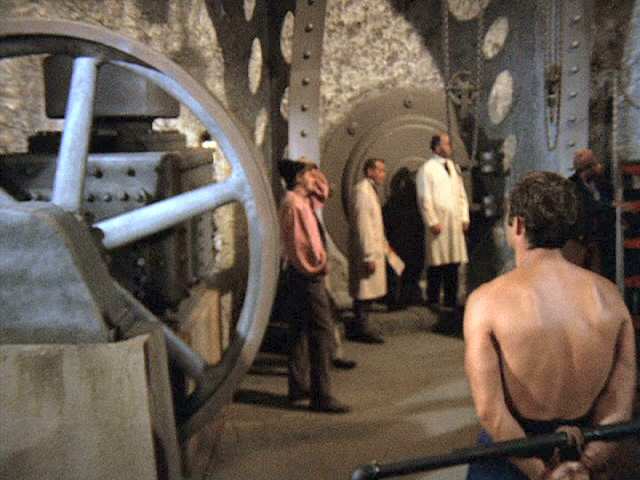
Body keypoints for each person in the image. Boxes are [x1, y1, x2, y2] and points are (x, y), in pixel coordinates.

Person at [464, 171, 636, 479]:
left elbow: (491, 411)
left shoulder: (486, 301)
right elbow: (619, 404)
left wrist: (541, 473)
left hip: (513, 456)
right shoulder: (609, 297)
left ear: (518, 224)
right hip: (583, 449)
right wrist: (586, 463)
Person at [278, 157, 351, 414]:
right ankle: (322, 395)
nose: (314, 178)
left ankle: (299, 387)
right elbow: (300, 245)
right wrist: (317, 266)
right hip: (307, 277)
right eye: (308, 174)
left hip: (301, 275)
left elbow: (324, 191)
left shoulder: (302, 200)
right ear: (298, 179)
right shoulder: (294, 204)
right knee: (322, 332)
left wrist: (312, 170)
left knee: (299, 330)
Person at [416, 133, 470, 310]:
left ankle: (450, 300)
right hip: (439, 223)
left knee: (453, 262)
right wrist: (432, 221)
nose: (450, 147)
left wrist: (464, 217)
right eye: (446, 144)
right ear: (437, 147)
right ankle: (432, 299)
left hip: (454, 223)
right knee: (437, 262)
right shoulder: (427, 169)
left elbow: (461, 194)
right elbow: (424, 198)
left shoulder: (453, 167)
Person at [347, 158, 392, 344]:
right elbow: (363, 225)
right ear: (369, 171)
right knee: (364, 291)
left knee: (368, 291)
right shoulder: (362, 192)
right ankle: (362, 328)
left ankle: (364, 326)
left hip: (374, 247)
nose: (383, 174)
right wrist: (368, 255)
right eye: (379, 170)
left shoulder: (370, 190)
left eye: (384, 171)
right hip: (367, 250)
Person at [565, 149, 616, 281]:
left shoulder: (603, 184)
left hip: (599, 242)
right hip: (578, 242)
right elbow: (587, 207)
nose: (598, 167)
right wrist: (611, 205)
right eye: (593, 165)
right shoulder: (570, 187)